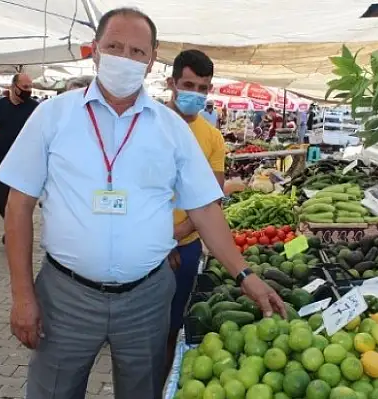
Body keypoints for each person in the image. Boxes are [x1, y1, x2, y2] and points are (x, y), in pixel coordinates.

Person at [0, 8, 285, 399]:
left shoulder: (171, 130)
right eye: (114, 47)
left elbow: (205, 209)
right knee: (53, 391)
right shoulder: (53, 116)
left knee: (141, 391)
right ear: (94, 51)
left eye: (136, 51)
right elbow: (18, 207)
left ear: (151, 60)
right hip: (66, 297)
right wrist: (23, 294)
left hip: (147, 297)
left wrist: (244, 275)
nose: (124, 58)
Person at [164, 49, 226, 373]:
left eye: (203, 88)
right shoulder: (148, 124)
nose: (196, 94)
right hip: (144, 247)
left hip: (186, 248)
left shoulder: (212, 137)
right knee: (137, 332)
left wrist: (179, 234)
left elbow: (212, 196)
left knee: (172, 328)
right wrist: (161, 241)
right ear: (172, 83)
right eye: (189, 85)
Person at [0, 73, 38, 237]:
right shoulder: (0, 105)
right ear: (14, 87)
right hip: (3, 159)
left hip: (26, 163)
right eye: (25, 87)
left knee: (20, 202)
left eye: (30, 87)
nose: (28, 91)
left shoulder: (34, 107)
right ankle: (13, 225)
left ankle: (14, 232)